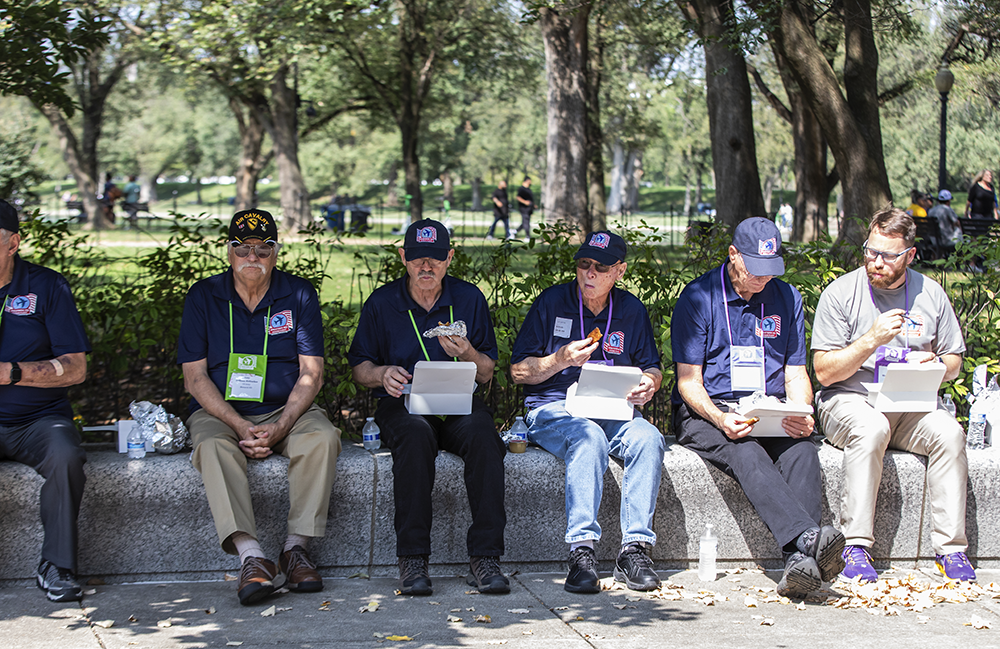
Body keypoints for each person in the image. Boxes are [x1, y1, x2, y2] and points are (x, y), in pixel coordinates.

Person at [671, 217, 844, 599]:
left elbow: (795, 371)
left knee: (802, 452)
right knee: (745, 449)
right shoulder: (698, 297)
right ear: (733, 255)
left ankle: (800, 565)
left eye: (771, 271)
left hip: (768, 407)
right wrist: (720, 417)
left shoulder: (787, 297)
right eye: (755, 270)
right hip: (708, 411)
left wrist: (800, 411)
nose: (763, 279)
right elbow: (688, 382)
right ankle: (810, 541)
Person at [178, 209, 342, 606]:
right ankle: (252, 557)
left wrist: (284, 424)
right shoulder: (204, 296)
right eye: (243, 248)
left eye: (263, 249)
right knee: (213, 447)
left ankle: (295, 549)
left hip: (287, 408)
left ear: (276, 252)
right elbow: (195, 377)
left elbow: (312, 373)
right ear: (229, 251)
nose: (253, 257)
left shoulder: (299, 293)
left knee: (322, 437)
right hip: (221, 411)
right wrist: (236, 424)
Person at [812, 208, 973, 583]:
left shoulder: (930, 294)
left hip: (909, 404)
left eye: (888, 255)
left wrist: (935, 362)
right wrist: (871, 340)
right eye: (871, 251)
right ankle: (854, 545)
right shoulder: (841, 294)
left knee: (950, 434)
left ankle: (951, 550)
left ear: (910, 255)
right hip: (850, 400)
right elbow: (823, 372)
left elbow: (954, 362)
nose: (876, 262)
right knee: (871, 429)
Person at [348, 218, 508, 596]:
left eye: (435, 259)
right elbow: (359, 367)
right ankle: (413, 558)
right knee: (416, 438)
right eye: (418, 258)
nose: (426, 267)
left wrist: (467, 351)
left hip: (457, 401)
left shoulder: (468, 299)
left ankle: (486, 557)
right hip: (404, 404)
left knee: (485, 438)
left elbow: (486, 373)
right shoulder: (383, 303)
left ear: (449, 258)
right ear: (403, 257)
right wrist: (381, 373)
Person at [510, 231, 666, 593]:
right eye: (583, 264)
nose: (589, 273)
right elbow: (517, 372)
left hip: (614, 408)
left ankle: (635, 551)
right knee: (588, 437)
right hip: (554, 408)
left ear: (620, 270)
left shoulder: (631, 309)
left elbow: (652, 367)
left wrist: (649, 383)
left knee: (649, 439)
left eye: (600, 266)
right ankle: (582, 552)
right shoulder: (551, 303)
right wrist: (559, 359)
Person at [0, 199, 90, 602]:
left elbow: (75, 367)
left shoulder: (47, 286)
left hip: (38, 420)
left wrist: (14, 372)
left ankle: (57, 565)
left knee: (66, 455)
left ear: (13, 242)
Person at [927, 190, 962, 255]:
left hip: (934, 240)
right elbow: (957, 223)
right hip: (947, 240)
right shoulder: (947, 209)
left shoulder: (931, 211)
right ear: (948, 201)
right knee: (964, 237)